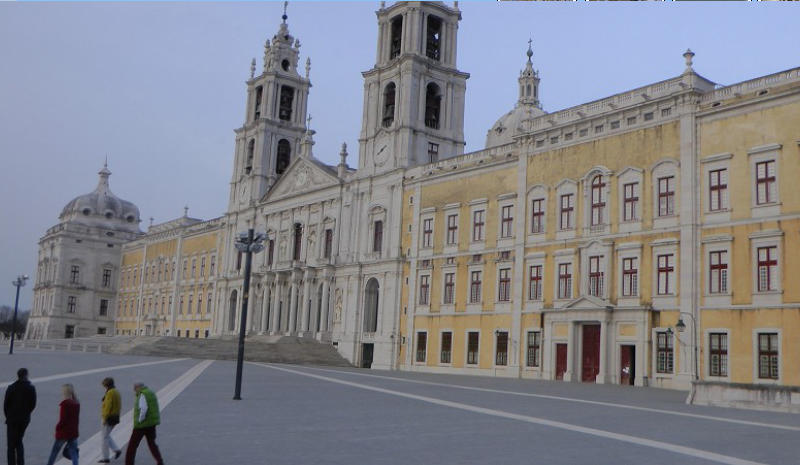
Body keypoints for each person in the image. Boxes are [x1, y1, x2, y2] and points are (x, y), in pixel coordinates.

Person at [125, 383, 164, 465]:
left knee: (132, 446)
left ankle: (129, 463)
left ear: (139, 387)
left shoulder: (142, 394)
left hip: (142, 425)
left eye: (135, 388)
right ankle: (160, 461)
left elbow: (143, 408)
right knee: (152, 443)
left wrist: (140, 420)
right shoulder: (151, 392)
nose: (134, 390)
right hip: (151, 424)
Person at [4, 367, 36, 465]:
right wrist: (27, 414)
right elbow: (33, 404)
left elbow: (6, 404)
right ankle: (21, 463)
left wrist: (8, 416)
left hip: (12, 420)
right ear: (26, 375)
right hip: (24, 420)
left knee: (11, 445)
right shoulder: (31, 388)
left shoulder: (11, 387)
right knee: (19, 441)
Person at [45, 384, 79, 465]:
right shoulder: (76, 403)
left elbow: (63, 420)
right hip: (73, 432)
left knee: (54, 452)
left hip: (64, 432)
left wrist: (57, 428)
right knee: (74, 453)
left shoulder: (65, 404)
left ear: (64, 392)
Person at [99, 377, 122, 463]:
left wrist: (105, 418)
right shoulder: (116, 392)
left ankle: (106, 457)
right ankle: (116, 450)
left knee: (104, 438)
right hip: (115, 416)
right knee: (107, 436)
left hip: (109, 418)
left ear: (106, 385)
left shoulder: (110, 393)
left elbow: (108, 407)